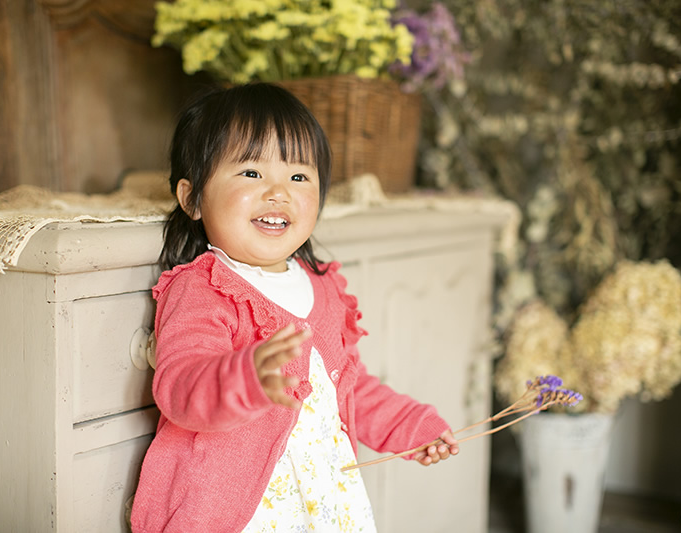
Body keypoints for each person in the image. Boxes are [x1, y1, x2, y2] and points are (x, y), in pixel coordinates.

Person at [130, 82, 459, 533]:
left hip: (320, 509)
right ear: (192, 198)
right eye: (251, 172)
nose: (278, 192)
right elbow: (180, 386)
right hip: (235, 515)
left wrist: (410, 425)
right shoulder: (203, 289)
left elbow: (348, 388)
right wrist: (245, 377)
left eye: (299, 177)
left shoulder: (321, 287)